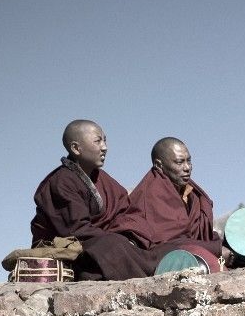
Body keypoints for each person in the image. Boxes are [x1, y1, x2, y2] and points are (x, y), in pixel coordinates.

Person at [30, 119, 149, 281]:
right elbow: (76, 231)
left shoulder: (100, 177)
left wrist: (127, 233)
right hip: (71, 252)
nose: (104, 147)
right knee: (113, 244)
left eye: (105, 140)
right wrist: (117, 238)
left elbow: (123, 209)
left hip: (103, 243)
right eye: (98, 141)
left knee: (155, 243)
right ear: (76, 148)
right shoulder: (62, 182)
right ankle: (148, 274)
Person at [122, 138, 224, 273]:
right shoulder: (150, 195)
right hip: (166, 263)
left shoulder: (193, 195)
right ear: (159, 165)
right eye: (180, 162)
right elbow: (166, 243)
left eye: (189, 161)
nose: (187, 168)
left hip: (197, 256)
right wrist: (213, 248)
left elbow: (197, 235)